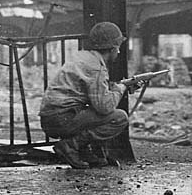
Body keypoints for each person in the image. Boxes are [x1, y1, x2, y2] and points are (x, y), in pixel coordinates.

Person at [38, 22, 134, 169]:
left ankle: (84, 151)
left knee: (91, 112)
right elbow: (104, 107)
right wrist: (121, 88)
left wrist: (115, 87)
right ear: (113, 48)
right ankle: (70, 146)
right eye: (118, 47)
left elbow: (89, 92)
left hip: (52, 117)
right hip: (63, 118)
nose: (119, 52)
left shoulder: (83, 57)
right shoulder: (97, 67)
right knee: (119, 117)